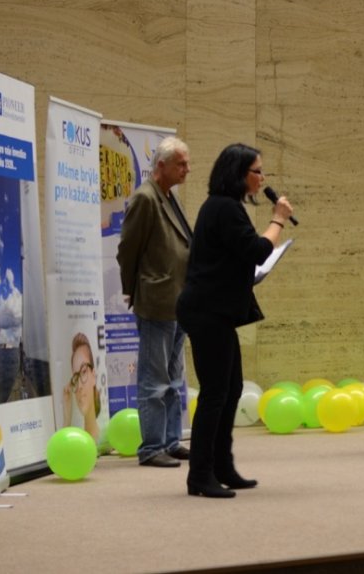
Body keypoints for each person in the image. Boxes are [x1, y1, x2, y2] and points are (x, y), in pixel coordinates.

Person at [176, 143, 293, 498]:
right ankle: (200, 476)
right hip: (206, 310)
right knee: (215, 393)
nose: (262, 178)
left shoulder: (226, 207)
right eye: (257, 171)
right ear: (239, 174)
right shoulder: (223, 207)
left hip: (217, 311)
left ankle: (222, 466)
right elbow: (257, 250)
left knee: (232, 389)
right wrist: (278, 219)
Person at [117, 136, 193, 467]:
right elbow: (127, 250)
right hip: (156, 301)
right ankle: (151, 448)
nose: (187, 169)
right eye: (181, 164)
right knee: (154, 380)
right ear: (161, 165)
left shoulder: (169, 197)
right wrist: (132, 289)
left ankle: (171, 441)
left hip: (179, 301)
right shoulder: (145, 198)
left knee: (174, 380)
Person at [63, 332, 101, 442]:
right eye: (75, 377)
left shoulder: (104, 440)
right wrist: (67, 419)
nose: (79, 386)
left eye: (84, 372)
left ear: (93, 376)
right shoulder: (78, 442)